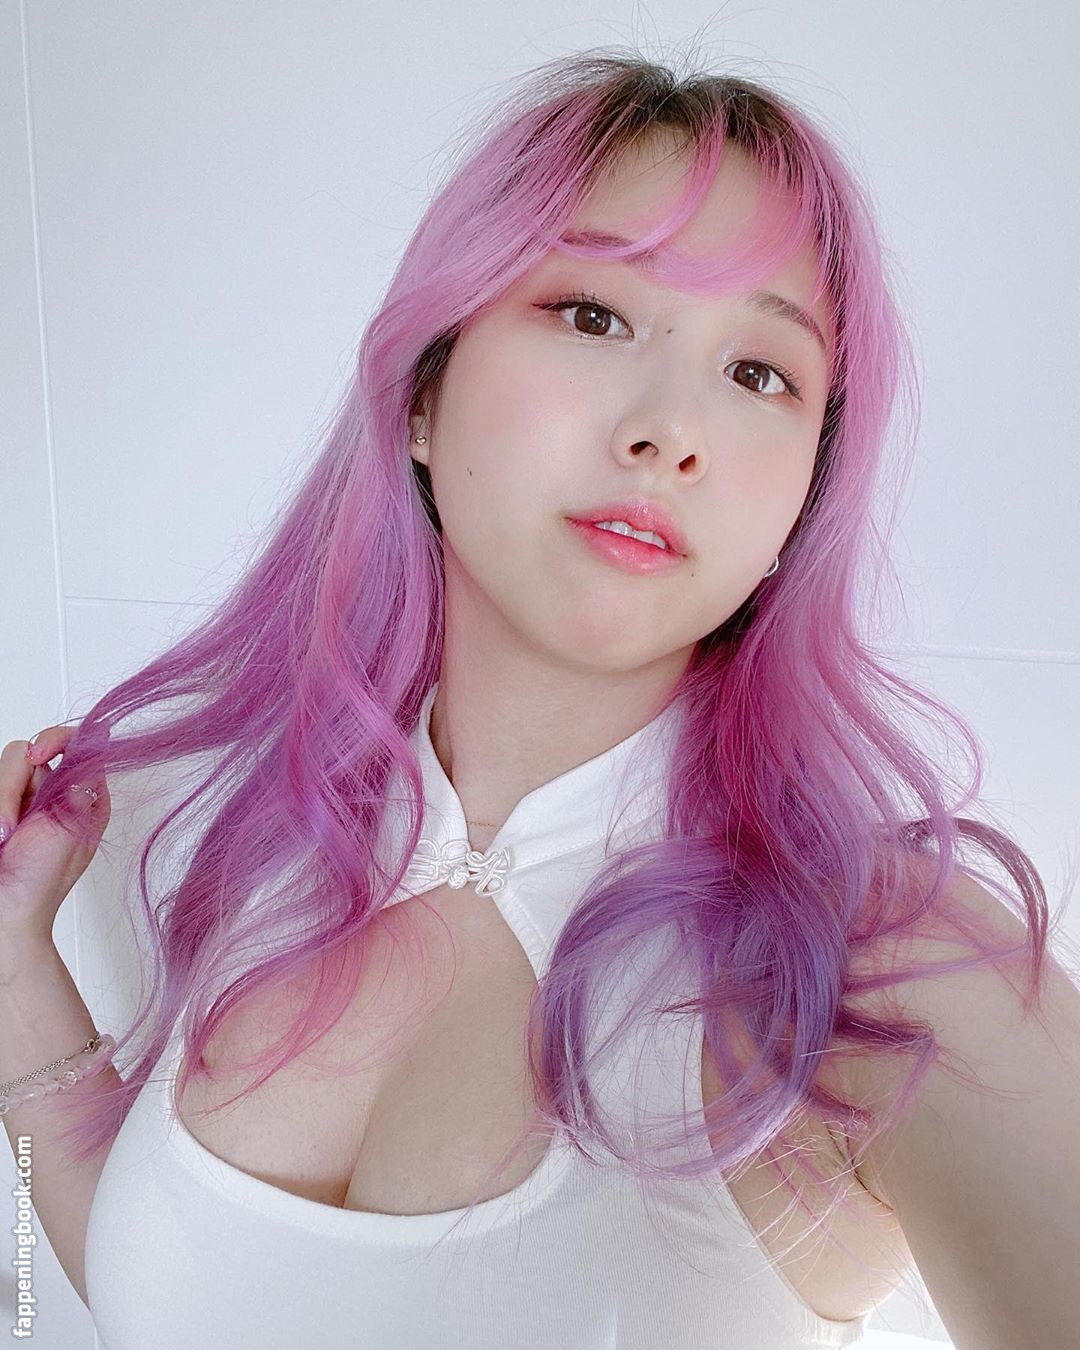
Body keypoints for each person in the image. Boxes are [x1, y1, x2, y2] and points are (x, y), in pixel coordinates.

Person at [2, 49, 1076, 1350]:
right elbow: (178, 1298)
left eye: (759, 373)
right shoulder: (253, 837)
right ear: (425, 392)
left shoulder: (875, 967)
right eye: (593, 314)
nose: (671, 429)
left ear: (803, 498)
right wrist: (15, 972)